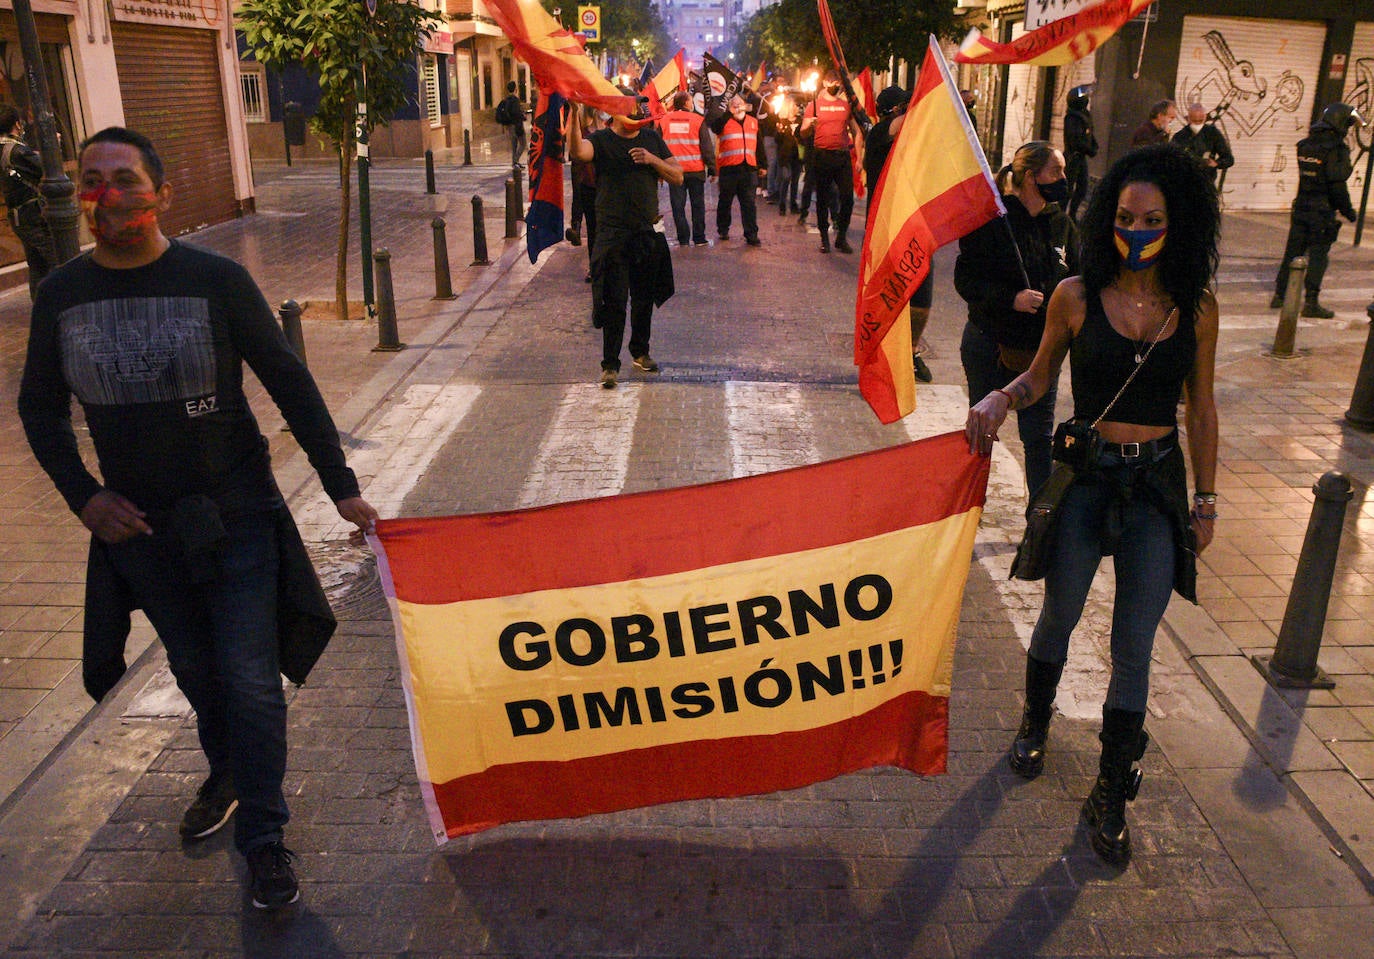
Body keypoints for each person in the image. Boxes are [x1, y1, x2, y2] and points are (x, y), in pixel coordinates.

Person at [16, 126, 379, 908]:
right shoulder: (62, 296)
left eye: (123, 177)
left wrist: (339, 483)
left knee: (251, 679)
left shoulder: (213, 279)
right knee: (198, 672)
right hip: (140, 532)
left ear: (161, 192)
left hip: (236, 514)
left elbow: (287, 379)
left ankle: (266, 838)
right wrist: (84, 495)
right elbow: (40, 409)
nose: (105, 193)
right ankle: (226, 771)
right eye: (91, 179)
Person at [965, 143, 1220, 867]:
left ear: (1182, 223)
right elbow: (1041, 377)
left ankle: (1111, 790)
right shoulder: (1076, 295)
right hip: (1088, 478)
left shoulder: (1197, 309)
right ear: (1107, 218)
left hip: (1155, 488)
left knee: (1133, 644)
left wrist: (1206, 499)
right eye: (1125, 216)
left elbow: (1202, 409)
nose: (1136, 229)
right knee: (1060, 613)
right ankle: (1035, 718)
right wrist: (1000, 393)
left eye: (1153, 218)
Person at [955, 141, 1079, 496]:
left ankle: (1039, 521)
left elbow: (1080, 279)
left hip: (1039, 354)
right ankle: (968, 505)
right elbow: (966, 281)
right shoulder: (993, 220)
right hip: (989, 344)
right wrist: (1012, 299)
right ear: (1029, 176)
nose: (1063, 179)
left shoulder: (1063, 226)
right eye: (1056, 171)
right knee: (982, 428)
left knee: (1038, 438)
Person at [567, 96, 683, 388]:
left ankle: (640, 352)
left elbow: (678, 176)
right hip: (612, 234)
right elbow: (579, 152)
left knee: (644, 299)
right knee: (614, 300)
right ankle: (610, 365)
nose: (635, 116)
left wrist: (652, 159)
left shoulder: (652, 139)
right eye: (629, 112)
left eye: (638, 112)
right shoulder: (602, 140)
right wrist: (572, 114)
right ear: (616, 115)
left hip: (645, 232)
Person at [864, 85, 933, 384]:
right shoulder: (878, 133)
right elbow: (901, 125)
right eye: (905, 104)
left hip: (917, 226)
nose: (909, 108)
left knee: (922, 299)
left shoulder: (913, 141)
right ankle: (880, 356)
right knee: (888, 296)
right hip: (886, 229)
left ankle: (912, 351)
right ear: (893, 110)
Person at [1270, 103, 1362, 318]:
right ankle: (1311, 302)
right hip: (1321, 212)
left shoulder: (1306, 144)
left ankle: (1280, 294)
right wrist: (1348, 211)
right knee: (1319, 255)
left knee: (1293, 252)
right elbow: (1337, 185)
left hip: (1301, 206)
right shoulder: (1335, 149)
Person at [800, 70, 862, 254]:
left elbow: (857, 132)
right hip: (822, 156)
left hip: (842, 156)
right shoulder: (814, 106)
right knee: (823, 199)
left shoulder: (845, 106)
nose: (837, 85)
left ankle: (841, 237)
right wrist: (810, 125)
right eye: (833, 82)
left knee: (847, 199)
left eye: (838, 83)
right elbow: (803, 131)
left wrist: (859, 157)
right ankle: (824, 238)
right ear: (825, 83)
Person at [0, 106, 59, 296]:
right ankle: (57, 306)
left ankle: (40, 306)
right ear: (17, 124)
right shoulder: (16, 150)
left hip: (19, 216)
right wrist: (52, 147)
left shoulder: (6, 148)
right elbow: (46, 168)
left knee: (37, 266)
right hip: (31, 214)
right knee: (54, 260)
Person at [659, 91, 713, 246]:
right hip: (695, 170)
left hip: (674, 172)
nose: (692, 104)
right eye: (690, 101)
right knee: (698, 205)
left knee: (677, 206)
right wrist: (712, 167)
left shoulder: (664, 121)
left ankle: (683, 237)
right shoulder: (697, 120)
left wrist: (659, 171)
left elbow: (658, 146)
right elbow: (706, 146)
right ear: (686, 103)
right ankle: (699, 237)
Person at [708, 94, 762, 246]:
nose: (737, 107)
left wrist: (762, 165)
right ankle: (723, 229)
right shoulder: (724, 121)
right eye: (734, 104)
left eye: (740, 104)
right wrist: (728, 113)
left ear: (745, 105)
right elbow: (715, 127)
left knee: (749, 204)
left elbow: (759, 144)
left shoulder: (753, 122)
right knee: (725, 201)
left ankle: (751, 234)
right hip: (729, 169)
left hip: (748, 168)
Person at [565, 106, 600, 281]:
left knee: (604, 228)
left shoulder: (608, 120)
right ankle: (595, 267)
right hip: (589, 181)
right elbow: (572, 148)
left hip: (603, 183)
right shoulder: (578, 115)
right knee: (594, 228)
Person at [1171, 102, 1233, 189]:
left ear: (1205, 118)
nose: (1197, 124)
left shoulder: (1213, 133)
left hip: (1207, 183)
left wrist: (1216, 163)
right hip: (1185, 185)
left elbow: (1228, 158)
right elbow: (1171, 161)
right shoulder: (1180, 137)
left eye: (1200, 120)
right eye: (1194, 120)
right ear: (1188, 118)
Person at [1063, 85, 1098, 221]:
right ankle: (1062, 214)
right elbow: (1076, 140)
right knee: (1068, 189)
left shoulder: (1084, 115)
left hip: (1081, 157)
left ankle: (1072, 214)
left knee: (1083, 188)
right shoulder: (1072, 118)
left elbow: (1089, 134)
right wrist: (1089, 150)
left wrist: (1093, 145)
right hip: (1073, 158)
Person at [497, 81, 526, 169]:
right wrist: (523, 116)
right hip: (516, 125)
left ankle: (515, 163)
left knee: (514, 145)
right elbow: (516, 113)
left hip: (509, 125)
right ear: (515, 89)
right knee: (523, 143)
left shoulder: (506, 100)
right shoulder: (515, 100)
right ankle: (516, 161)